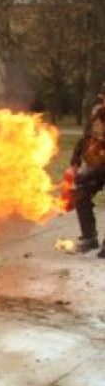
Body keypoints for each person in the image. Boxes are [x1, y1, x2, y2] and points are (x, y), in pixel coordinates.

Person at [68, 80, 105, 256]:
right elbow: (86, 138)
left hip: (101, 167)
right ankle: (89, 238)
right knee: (80, 190)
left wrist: (91, 172)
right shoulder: (97, 113)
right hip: (97, 165)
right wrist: (76, 155)